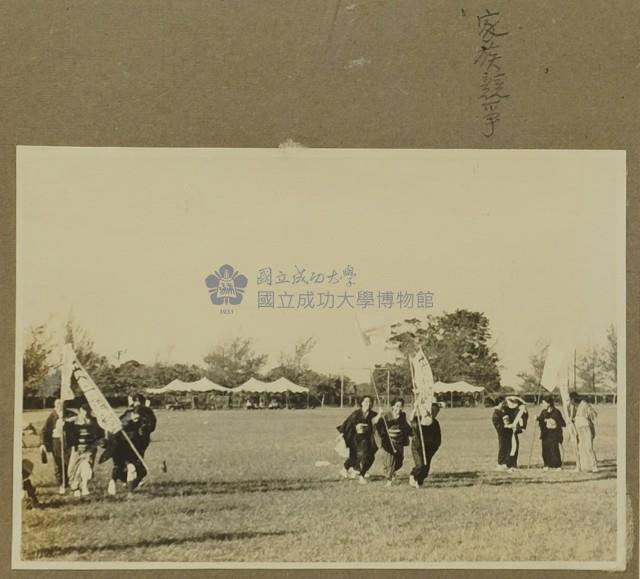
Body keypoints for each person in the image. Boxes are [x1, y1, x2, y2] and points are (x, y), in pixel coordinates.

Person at [106, 394, 155, 495]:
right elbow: (118, 427)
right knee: (120, 465)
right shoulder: (127, 415)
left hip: (137, 444)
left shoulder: (147, 414)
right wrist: (128, 423)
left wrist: (144, 425)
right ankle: (115, 482)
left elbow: (149, 428)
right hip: (122, 443)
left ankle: (130, 487)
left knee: (136, 467)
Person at [337, 395, 378, 484]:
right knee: (357, 456)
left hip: (368, 439)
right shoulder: (356, 414)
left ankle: (346, 469)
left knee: (370, 457)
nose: (368, 403)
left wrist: (381, 415)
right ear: (362, 403)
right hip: (356, 439)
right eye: (366, 401)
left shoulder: (373, 414)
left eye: (370, 402)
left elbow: (378, 423)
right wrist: (342, 434)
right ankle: (360, 475)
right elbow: (347, 424)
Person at [66, 403, 104, 496]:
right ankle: (76, 488)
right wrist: (62, 424)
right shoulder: (73, 422)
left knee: (86, 466)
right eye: (84, 411)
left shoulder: (95, 422)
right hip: (76, 449)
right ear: (80, 411)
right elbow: (66, 431)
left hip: (89, 449)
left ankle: (84, 486)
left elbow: (101, 435)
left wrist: (98, 443)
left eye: (87, 410)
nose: (86, 413)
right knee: (72, 470)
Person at [373, 398, 413, 486]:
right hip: (388, 441)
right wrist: (379, 415)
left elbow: (405, 425)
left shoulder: (403, 415)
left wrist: (412, 433)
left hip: (399, 441)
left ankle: (390, 471)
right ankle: (389, 480)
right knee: (389, 460)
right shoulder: (386, 415)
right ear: (393, 406)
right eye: (397, 406)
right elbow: (375, 423)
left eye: (401, 406)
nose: (399, 408)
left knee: (399, 461)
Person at [408, 398, 442, 488]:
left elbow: (438, 439)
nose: (434, 413)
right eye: (432, 411)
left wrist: (435, 447)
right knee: (420, 465)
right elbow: (411, 419)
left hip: (429, 448)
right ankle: (413, 475)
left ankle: (419, 482)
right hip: (417, 446)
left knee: (426, 468)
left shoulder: (435, 423)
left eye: (436, 412)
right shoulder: (418, 420)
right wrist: (415, 408)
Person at [39, 398, 71, 493]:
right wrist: (42, 443)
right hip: (56, 441)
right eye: (57, 405)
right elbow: (44, 430)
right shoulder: (53, 416)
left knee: (69, 461)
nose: (59, 407)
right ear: (55, 406)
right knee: (58, 462)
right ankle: (62, 483)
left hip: (68, 441)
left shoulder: (69, 414)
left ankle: (71, 482)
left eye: (61, 405)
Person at [493, 396, 528, 472]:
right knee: (503, 448)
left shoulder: (504, 410)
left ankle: (510, 463)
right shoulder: (496, 414)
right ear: (499, 404)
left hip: (510, 433)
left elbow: (515, 410)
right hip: (503, 434)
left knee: (512, 447)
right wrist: (507, 426)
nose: (504, 404)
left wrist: (521, 405)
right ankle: (501, 463)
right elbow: (498, 426)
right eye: (502, 403)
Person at [536, 395, 566, 470]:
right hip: (545, 433)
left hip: (554, 434)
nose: (542, 404)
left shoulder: (556, 412)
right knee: (545, 449)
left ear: (548, 403)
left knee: (554, 449)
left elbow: (562, 423)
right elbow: (541, 421)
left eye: (544, 403)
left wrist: (551, 421)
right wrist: (538, 419)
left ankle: (557, 465)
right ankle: (546, 464)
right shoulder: (543, 412)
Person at [571, 392, 598, 472]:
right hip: (578, 428)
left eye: (571, 400)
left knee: (589, 447)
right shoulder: (574, 406)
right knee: (579, 447)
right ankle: (580, 466)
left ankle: (594, 466)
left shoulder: (585, 405)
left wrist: (587, 415)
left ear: (573, 399)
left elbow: (594, 415)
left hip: (586, 428)